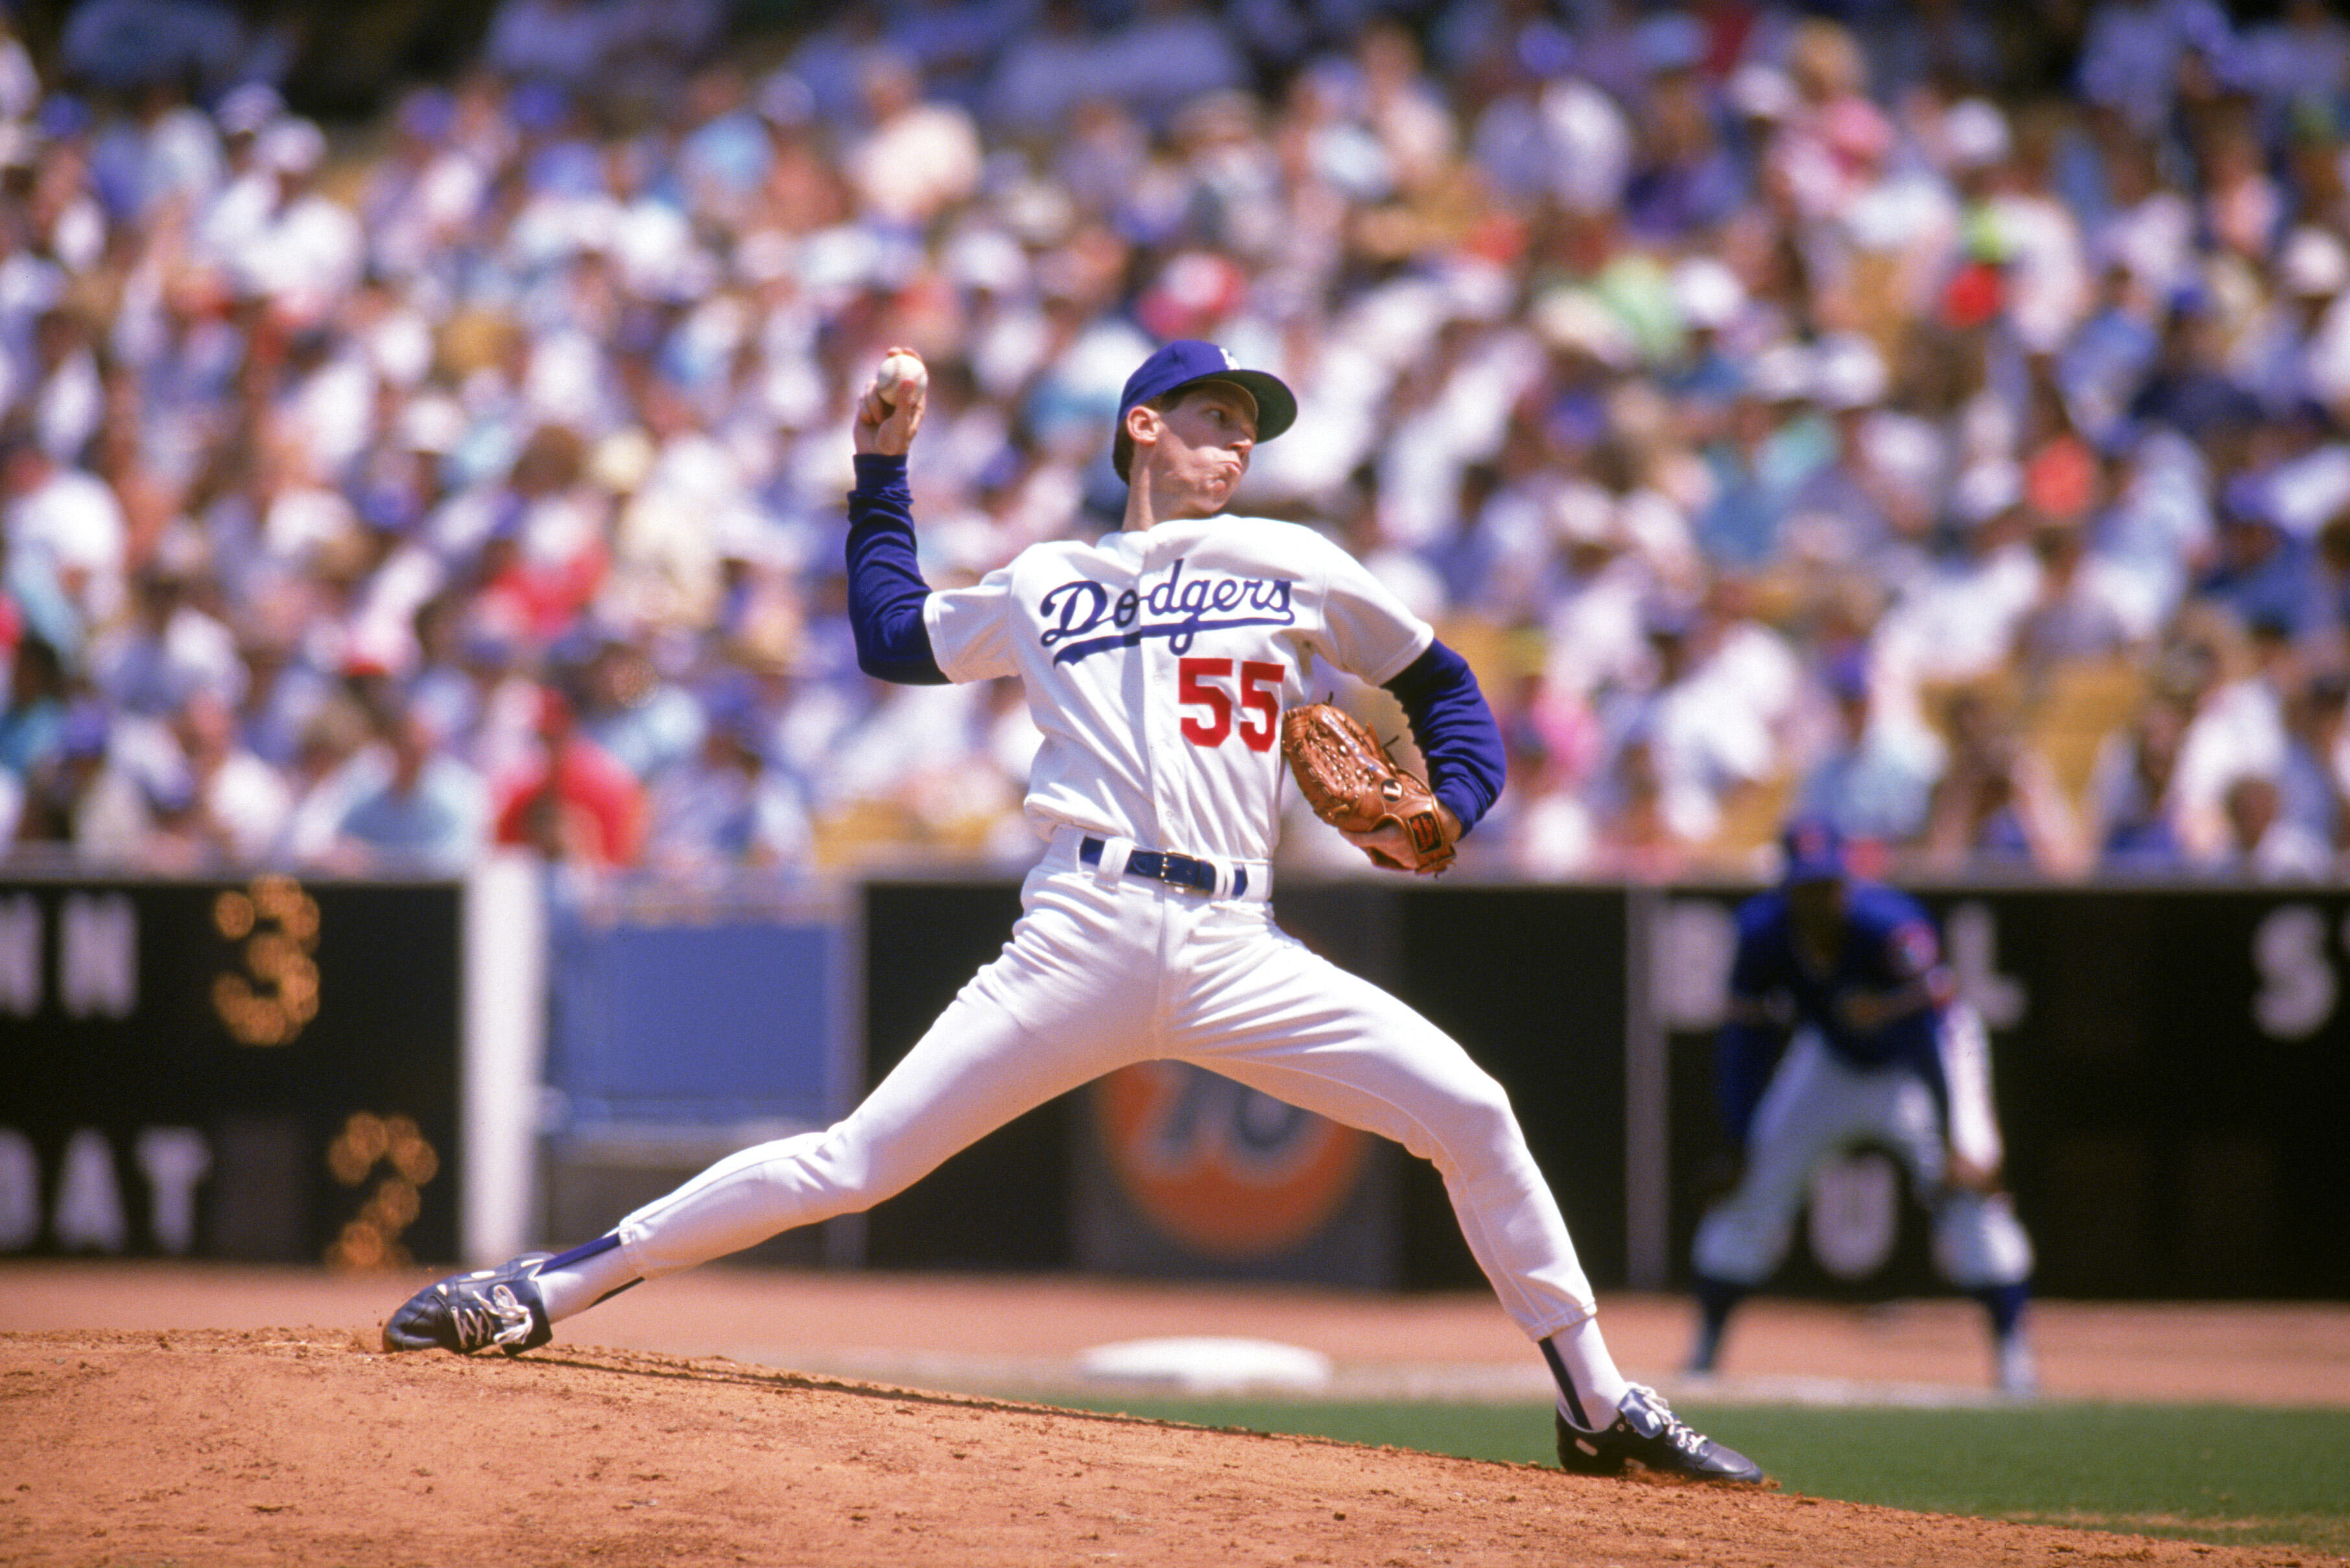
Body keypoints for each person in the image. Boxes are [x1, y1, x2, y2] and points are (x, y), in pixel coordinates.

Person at [381, 339, 1767, 1486]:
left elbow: (1451, 689)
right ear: (1143, 427)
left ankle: (1597, 1404)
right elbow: (887, 637)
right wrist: (879, 469)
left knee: (1472, 1109)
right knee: (857, 1162)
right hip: (1083, 930)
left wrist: (1456, 805)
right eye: (1218, 421)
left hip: (1239, 944)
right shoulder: (1052, 581)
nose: (1238, 449)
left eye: (1253, 433)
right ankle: (539, 1292)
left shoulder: (1297, 562)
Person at [1687, 816, 2039, 1396]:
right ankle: (1705, 1351)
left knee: (1973, 1191)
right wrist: (1736, 1139)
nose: (1819, 900)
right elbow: (1744, 1045)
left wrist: (1955, 1137)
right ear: (1787, 889)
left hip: (1922, 1062)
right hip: (1831, 1059)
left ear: (1847, 882)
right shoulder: (1763, 934)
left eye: (1827, 885)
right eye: (1805, 887)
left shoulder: (1891, 927)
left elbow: (1928, 1035)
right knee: (1751, 1187)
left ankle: (2013, 1358)